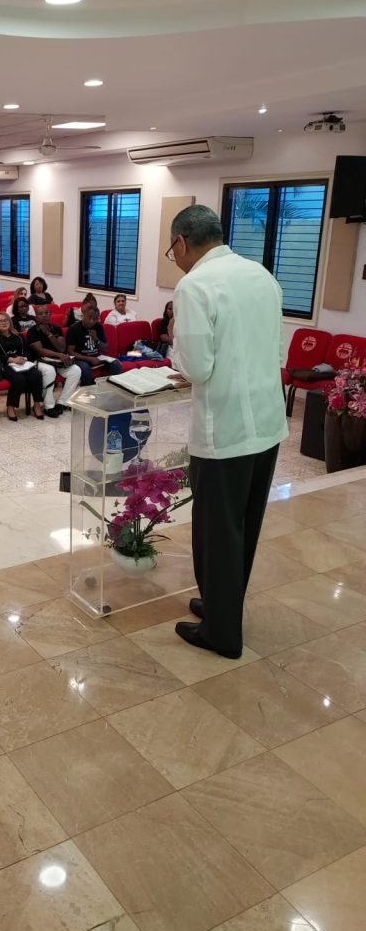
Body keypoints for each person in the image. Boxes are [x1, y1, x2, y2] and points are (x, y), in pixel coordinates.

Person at [167, 204, 288, 659]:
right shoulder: (262, 275)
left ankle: (221, 633)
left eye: (172, 251)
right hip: (267, 423)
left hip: (224, 430)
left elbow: (197, 368)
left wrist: (176, 344)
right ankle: (223, 605)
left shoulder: (194, 285)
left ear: (181, 242)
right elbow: (274, 348)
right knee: (243, 526)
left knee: (217, 531)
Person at [0, 312, 44, 421]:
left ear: (10, 322)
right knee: (19, 379)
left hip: (22, 363)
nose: (4, 323)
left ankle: (37, 405)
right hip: (6, 364)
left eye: (6, 320)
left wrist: (24, 358)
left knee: (36, 375)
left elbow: (26, 350)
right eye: (1, 321)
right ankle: (11, 406)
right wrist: (12, 360)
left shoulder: (18, 335)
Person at [26, 305, 82, 417]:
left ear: (50, 314)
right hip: (39, 361)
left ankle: (62, 402)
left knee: (76, 370)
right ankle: (49, 406)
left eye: (46, 313)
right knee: (50, 370)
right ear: (36, 317)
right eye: (40, 314)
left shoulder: (56, 329)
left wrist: (49, 334)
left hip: (56, 360)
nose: (44, 315)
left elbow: (61, 348)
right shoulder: (32, 331)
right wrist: (59, 355)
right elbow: (40, 350)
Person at [67, 305, 121, 385]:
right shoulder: (74, 328)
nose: (92, 321)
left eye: (95, 319)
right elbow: (70, 352)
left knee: (116, 364)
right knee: (85, 368)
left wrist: (96, 339)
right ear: (84, 315)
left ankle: (106, 386)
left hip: (97, 356)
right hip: (81, 358)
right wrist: (89, 359)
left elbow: (105, 348)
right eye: (90, 317)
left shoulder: (98, 326)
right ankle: (88, 389)